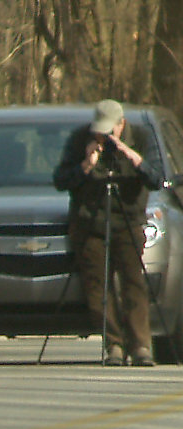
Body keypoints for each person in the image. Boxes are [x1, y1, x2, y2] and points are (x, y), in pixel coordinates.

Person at [53, 99, 164, 366]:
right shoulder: (81, 139)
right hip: (90, 222)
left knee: (133, 284)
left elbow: (156, 179)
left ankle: (140, 346)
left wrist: (132, 156)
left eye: (109, 132)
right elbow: (60, 181)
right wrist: (86, 165)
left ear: (121, 124)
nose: (104, 136)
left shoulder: (142, 136)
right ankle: (113, 343)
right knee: (97, 287)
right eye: (99, 131)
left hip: (128, 220)